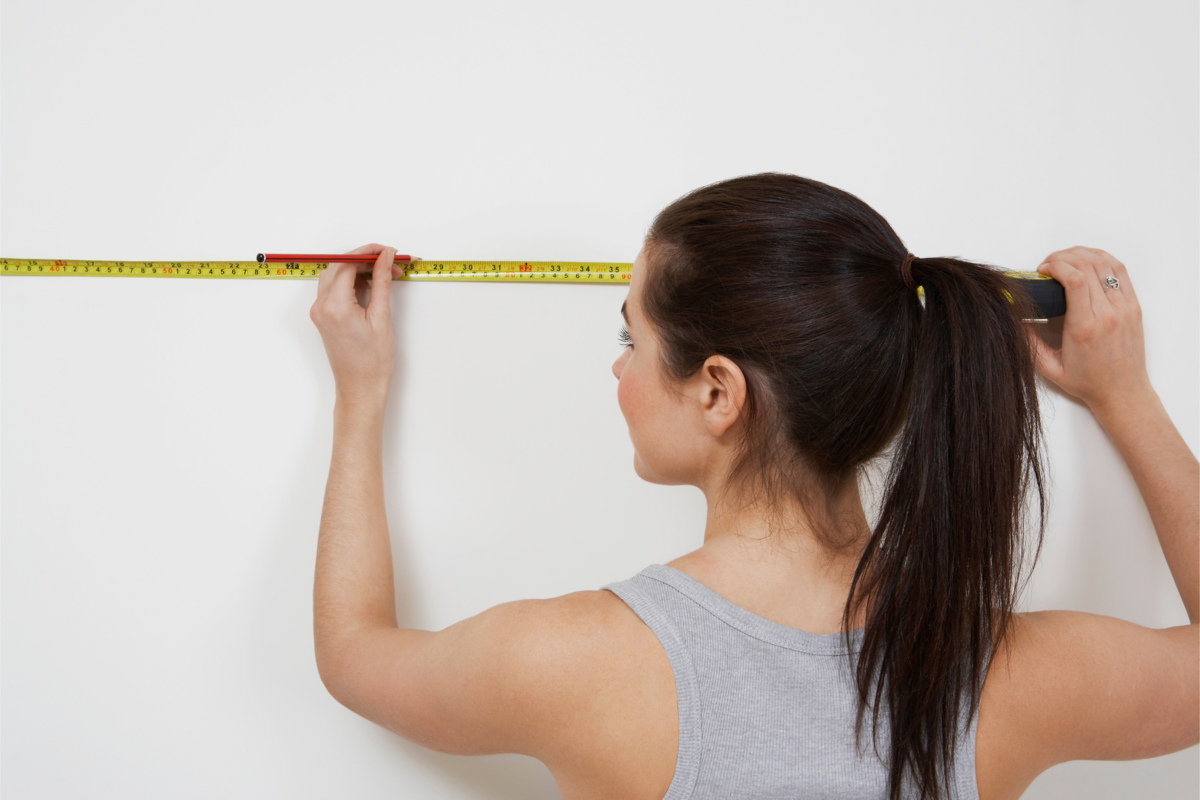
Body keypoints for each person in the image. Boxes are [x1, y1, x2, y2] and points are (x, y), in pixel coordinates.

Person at [307, 174, 1198, 800]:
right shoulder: (1007, 676)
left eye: (633, 341)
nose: (617, 373)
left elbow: (353, 654)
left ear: (718, 391)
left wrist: (360, 396)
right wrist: (1128, 399)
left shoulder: (573, 664)